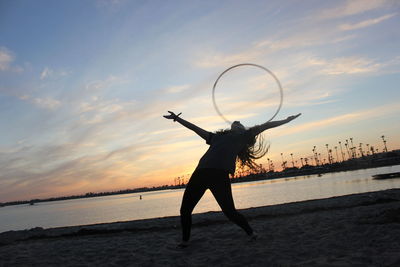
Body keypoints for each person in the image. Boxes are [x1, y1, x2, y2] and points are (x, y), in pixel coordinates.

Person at [163, 111, 301, 248]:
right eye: (235, 123)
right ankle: (185, 241)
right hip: (200, 173)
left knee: (230, 212)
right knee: (185, 210)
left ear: (242, 130)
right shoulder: (216, 137)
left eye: (240, 123)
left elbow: (267, 125)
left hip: (219, 176)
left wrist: (286, 120)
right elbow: (195, 128)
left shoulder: (245, 136)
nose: (237, 122)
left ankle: (251, 233)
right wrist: (177, 118)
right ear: (230, 128)